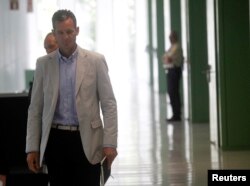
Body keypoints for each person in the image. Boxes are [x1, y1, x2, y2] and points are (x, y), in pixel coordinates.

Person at [26, 9, 118, 186]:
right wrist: (32, 148)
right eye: (60, 32)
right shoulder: (43, 64)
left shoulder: (95, 61)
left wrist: (110, 143)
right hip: (55, 140)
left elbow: (109, 104)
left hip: (87, 139)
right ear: (54, 33)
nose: (66, 37)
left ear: (77, 30)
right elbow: (35, 108)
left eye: (69, 31)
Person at [28, 32, 58, 99]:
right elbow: (33, 97)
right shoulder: (42, 66)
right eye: (46, 48)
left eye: (51, 47)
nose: (48, 51)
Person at [162, 31, 183, 122]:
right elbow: (164, 57)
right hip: (171, 70)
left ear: (174, 37)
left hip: (175, 70)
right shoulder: (172, 47)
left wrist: (167, 57)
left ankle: (177, 114)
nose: (170, 39)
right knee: (171, 92)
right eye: (169, 37)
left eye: (171, 37)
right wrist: (166, 57)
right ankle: (175, 113)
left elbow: (168, 58)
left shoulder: (177, 47)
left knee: (173, 92)